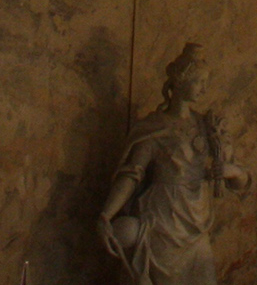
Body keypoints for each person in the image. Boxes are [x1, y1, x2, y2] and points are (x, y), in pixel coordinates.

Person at [97, 44, 249, 285]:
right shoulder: (155, 128)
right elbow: (132, 175)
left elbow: (242, 180)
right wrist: (107, 214)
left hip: (197, 223)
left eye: (206, 82)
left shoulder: (207, 125)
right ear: (180, 81)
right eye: (199, 81)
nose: (204, 88)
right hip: (162, 221)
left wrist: (232, 171)